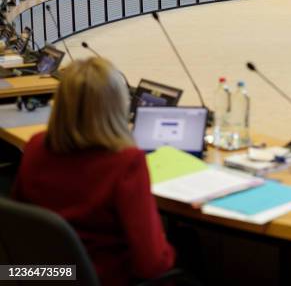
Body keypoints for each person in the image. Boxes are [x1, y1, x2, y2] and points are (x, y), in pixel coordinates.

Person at [12, 57, 176, 286]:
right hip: (97, 278)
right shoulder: (125, 162)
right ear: (117, 105)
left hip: (36, 274)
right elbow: (152, 264)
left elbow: (19, 223)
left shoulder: (36, 146)